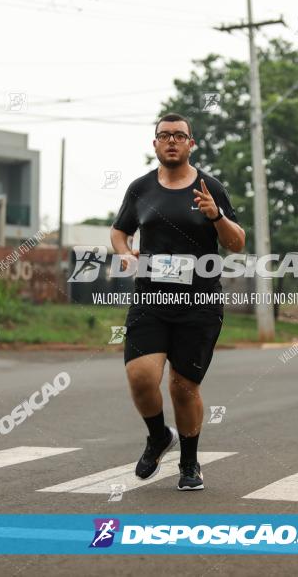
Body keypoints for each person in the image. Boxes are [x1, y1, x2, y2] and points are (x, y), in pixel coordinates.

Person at [110, 113, 245, 490]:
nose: (171, 141)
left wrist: (215, 216)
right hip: (151, 299)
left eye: (179, 135)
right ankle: (157, 436)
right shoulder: (140, 189)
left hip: (198, 303)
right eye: (164, 135)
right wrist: (124, 252)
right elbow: (120, 230)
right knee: (141, 377)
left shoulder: (209, 187)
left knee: (183, 387)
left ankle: (189, 462)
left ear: (191, 143)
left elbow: (236, 242)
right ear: (155, 144)